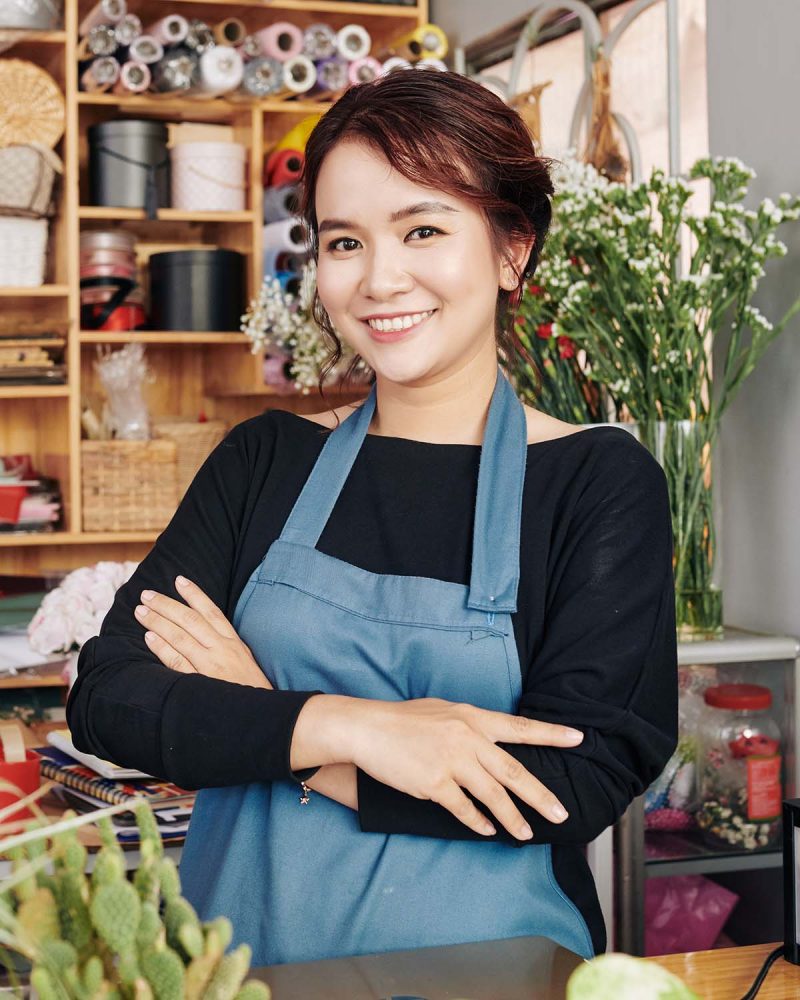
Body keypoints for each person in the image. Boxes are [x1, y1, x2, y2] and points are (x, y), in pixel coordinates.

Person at [67, 70, 678, 968]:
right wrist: (368, 729)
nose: (379, 279)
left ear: (513, 249)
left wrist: (272, 725)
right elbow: (111, 698)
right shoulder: (264, 459)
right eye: (344, 241)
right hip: (240, 970)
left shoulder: (596, 480)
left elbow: (570, 784)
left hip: (493, 974)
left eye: (423, 229)